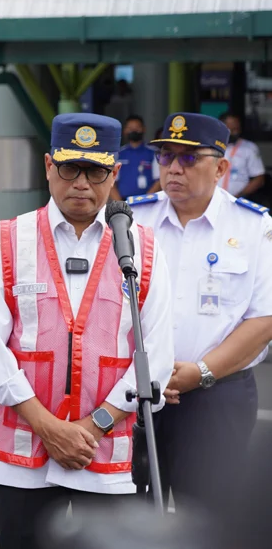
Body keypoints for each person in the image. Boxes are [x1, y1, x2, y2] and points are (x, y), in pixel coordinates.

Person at [0, 113, 174, 549]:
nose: (82, 183)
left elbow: (155, 357)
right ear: (48, 166)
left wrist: (93, 426)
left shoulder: (142, 247)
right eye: (70, 168)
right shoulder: (7, 240)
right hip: (24, 456)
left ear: (114, 173)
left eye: (96, 171)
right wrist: (49, 428)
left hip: (108, 456)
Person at [127, 112, 272, 515]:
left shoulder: (253, 226)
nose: (174, 168)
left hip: (216, 397)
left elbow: (263, 320)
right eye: (166, 156)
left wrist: (200, 372)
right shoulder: (131, 220)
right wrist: (141, 373)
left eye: (189, 158)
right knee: (132, 519)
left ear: (221, 168)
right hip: (135, 393)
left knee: (209, 520)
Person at [109, 115, 158, 201]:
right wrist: (121, 204)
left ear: (144, 129)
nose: (134, 131)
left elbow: (159, 180)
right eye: (130, 128)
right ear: (125, 130)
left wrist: (146, 201)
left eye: (137, 127)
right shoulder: (118, 154)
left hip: (149, 201)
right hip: (124, 201)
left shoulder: (153, 152)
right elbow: (111, 181)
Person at [218, 112, 266, 198]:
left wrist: (238, 196)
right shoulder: (213, 147)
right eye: (231, 130)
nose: (234, 133)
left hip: (239, 200)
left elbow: (259, 179)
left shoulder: (249, 148)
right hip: (213, 199)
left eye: (236, 129)